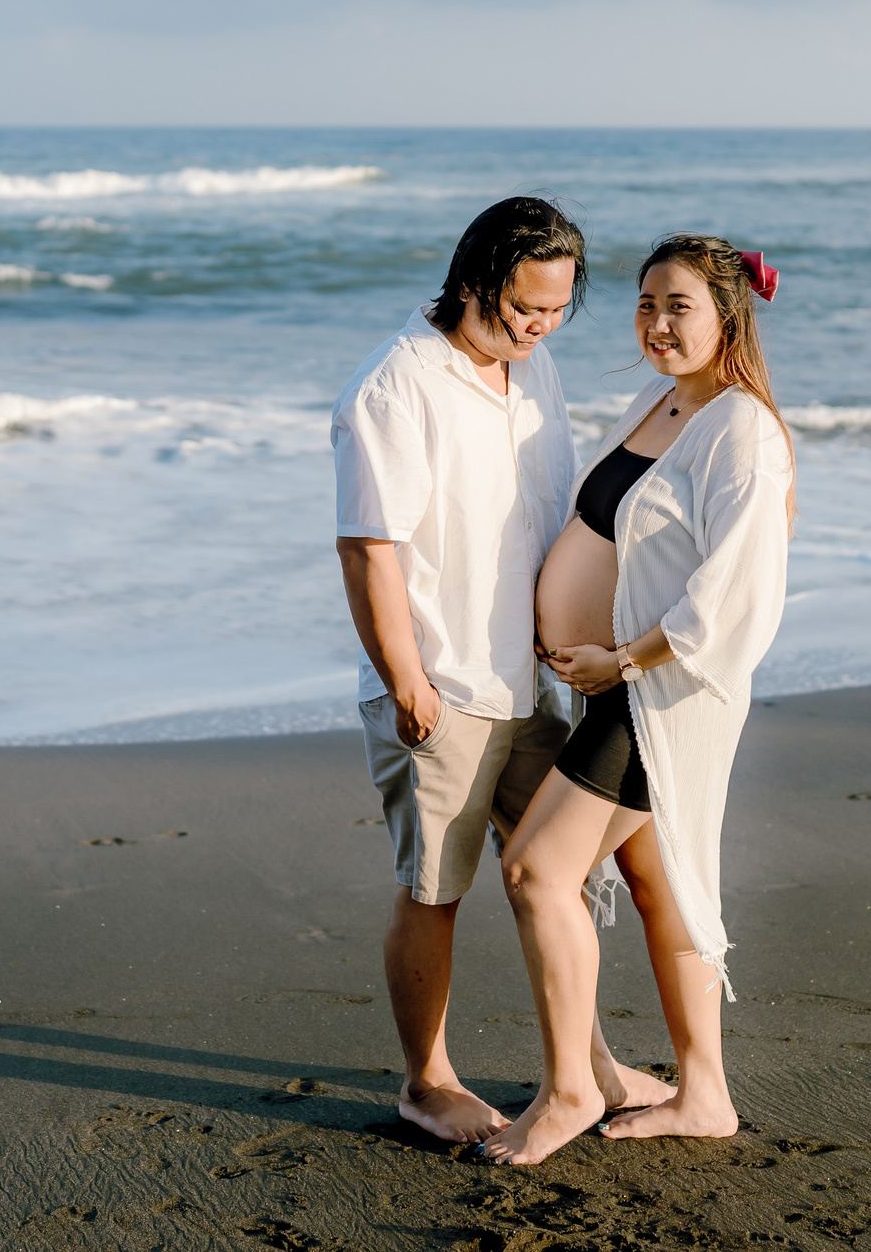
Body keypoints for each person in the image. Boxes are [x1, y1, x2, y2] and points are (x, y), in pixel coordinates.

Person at [332, 197, 669, 1143]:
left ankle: (588, 1064)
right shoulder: (395, 386)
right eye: (526, 307)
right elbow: (368, 547)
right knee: (434, 887)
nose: (541, 326)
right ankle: (426, 1082)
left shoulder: (536, 368)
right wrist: (407, 681)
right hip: (442, 682)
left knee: (564, 869)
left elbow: (550, 512)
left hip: (532, 679)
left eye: (558, 310)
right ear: (473, 280)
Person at [482, 233, 795, 1166]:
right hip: (611, 684)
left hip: (658, 694)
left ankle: (571, 1089)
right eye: (647, 303)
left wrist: (619, 661)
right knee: (662, 882)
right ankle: (705, 1094)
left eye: (679, 306)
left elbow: (733, 597)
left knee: (537, 872)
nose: (657, 323)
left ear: (727, 316)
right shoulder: (660, 403)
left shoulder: (742, 431)